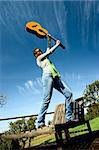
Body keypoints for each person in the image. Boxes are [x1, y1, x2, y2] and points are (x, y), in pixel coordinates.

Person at [33, 37, 77, 128]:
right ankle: (40, 122)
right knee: (46, 99)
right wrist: (57, 44)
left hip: (55, 77)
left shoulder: (45, 58)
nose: (39, 52)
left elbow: (48, 50)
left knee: (69, 94)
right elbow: (49, 52)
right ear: (35, 54)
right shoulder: (39, 59)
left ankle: (68, 118)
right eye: (37, 51)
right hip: (47, 77)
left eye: (39, 50)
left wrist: (49, 40)